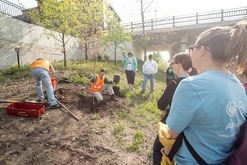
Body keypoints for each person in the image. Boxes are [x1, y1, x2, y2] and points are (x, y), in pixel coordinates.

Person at [158, 21, 247, 164]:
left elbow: (171, 134)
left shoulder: (191, 86)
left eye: (192, 48)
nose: (190, 52)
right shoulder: (239, 87)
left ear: (202, 50)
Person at [153, 52, 198, 165]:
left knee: (158, 150)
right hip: (190, 130)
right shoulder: (196, 82)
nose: (171, 65)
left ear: (179, 65)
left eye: (173, 62)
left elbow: (161, 105)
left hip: (173, 128)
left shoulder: (174, 83)